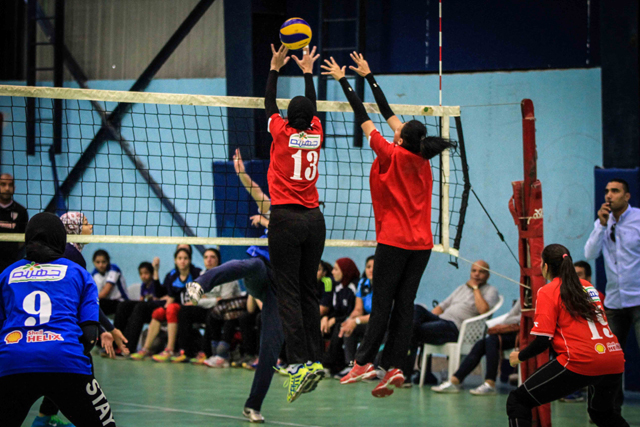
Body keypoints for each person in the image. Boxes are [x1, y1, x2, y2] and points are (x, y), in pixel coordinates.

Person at [323, 51, 456, 397]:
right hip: (421, 246)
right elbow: (386, 112)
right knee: (404, 304)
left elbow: (363, 115)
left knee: (382, 303)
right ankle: (396, 366)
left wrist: (343, 80)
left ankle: (364, 361)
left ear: (399, 138)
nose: (394, 130)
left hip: (394, 242)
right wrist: (369, 76)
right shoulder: (423, 157)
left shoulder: (389, 152)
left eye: (397, 131)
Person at [0, 213, 115, 427]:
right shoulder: (79, 273)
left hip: (13, 361)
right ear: (61, 238)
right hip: (65, 359)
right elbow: (90, 336)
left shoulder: (6, 274)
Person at [264, 44, 327, 402]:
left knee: (287, 292)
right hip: (314, 220)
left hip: (285, 218)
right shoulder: (316, 131)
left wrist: (275, 68)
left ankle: (299, 362)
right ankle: (314, 359)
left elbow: (268, 105)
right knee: (307, 291)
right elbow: (310, 107)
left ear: (289, 117)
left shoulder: (281, 132)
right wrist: (307, 71)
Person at [507, 244, 628, 427]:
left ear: (545, 267)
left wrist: (520, 356)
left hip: (581, 359)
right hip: (613, 358)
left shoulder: (548, 291)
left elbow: (543, 341)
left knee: (518, 401)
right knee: (601, 413)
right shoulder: (588, 287)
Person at [584, 178, 640, 414]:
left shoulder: (638, 219)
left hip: (639, 299)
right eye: (607, 191)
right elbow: (589, 253)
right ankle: (609, 410)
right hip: (615, 302)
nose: (609, 195)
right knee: (609, 358)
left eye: (615, 191)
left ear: (627, 196)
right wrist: (600, 225)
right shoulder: (603, 223)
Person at [404, 260, 500, 381]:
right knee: (417, 309)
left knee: (412, 330)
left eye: (481, 272)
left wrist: (475, 288)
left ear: (488, 275)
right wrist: (427, 320)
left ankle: (405, 373)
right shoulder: (462, 288)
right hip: (441, 321)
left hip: (455, 328)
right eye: (474, 271)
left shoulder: (491, 290)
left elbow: (483, 310)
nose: (476, 274)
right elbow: (442, 306)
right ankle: (410, 337)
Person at [432, 298, 520, 395]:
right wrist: (518, 320)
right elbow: (509, 319)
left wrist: (518, 320)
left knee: (492, 340)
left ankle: (490, 383)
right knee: (481, 344)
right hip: (514, 332)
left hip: (528, 336)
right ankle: (455, 381)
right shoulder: (523, 297)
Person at [132, 247, 201, 361]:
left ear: (190, 260)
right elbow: (160, 293)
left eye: (185, 258)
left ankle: (170, 349)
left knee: (171, 308)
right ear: (175, 260)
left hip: (188, 308)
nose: (182, 261)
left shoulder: (196, 273)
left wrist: (172, 299)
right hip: (174, 307)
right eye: (179, 258)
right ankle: (146, 349)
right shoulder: (172, 275)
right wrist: (156, 270)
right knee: (158, 312)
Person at [322, 258, 359, 376]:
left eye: (336, 269)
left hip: (355, 321)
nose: (332, 272)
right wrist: (326, 318)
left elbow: (355, 312)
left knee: (340, 327)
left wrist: (335, 319)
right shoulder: (338, 286)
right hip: (340, 319)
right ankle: (313, 361)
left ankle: (328, 365)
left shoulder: (355, 286)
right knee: (320, 326)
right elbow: (336, 310)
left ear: (345, 271)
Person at [339, 256, 374, 368]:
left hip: (384, 324)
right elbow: (358, 309)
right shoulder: (363, 283)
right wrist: (350, 320)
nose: (371, 270)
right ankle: (351, 366)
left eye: (374, 267)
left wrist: (356, 321)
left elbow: (379, 315)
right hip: (368, 321)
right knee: (348, 328)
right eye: (368, 267)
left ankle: (371, 366)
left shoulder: (385, 287)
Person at [0, 173, 29, 272]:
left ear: (14, 188)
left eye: (10, 185)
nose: (7, 188)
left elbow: (23, 238)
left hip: (12, 263)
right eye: (3, 184)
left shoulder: (21, 211)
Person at [91, 249, 129, 315]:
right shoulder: (94, 274)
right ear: (93, 262)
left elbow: (105, 292)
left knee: (97, 305)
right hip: (106, 302)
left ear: (108, 261)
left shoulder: (114, 270)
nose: (101, 265)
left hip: (121, 302)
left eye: (103, 262)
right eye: (98, 262)